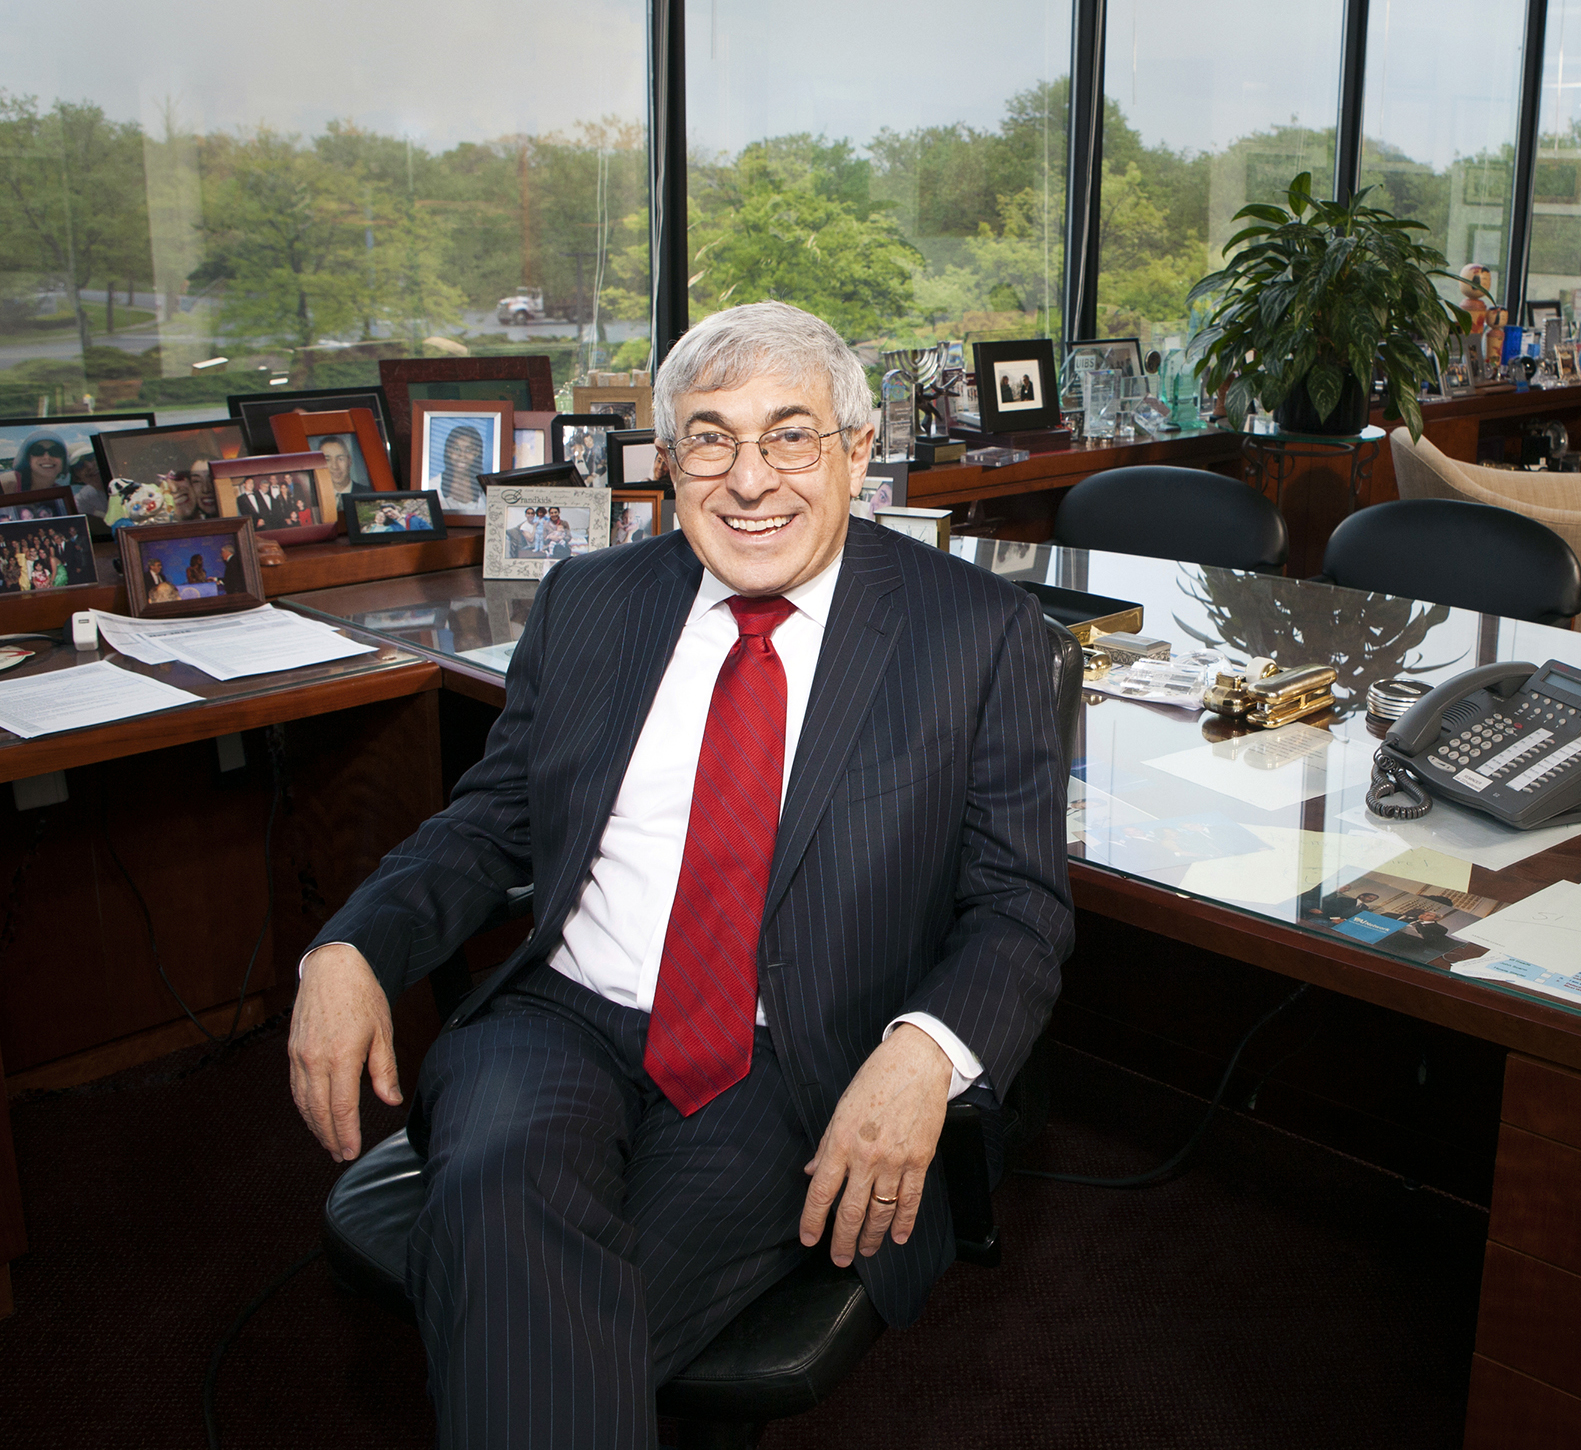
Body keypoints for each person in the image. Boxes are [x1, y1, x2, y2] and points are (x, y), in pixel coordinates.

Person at [287, 299, 1071, 1449]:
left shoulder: (978, 631)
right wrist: (354, 942)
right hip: (559, 1021)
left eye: (790, 435)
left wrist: (923, 1054)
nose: (749, 479)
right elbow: (493, 820)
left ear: (858, 450)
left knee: (528, 1307)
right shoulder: (592, 601)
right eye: (711, 438)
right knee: (502, 1195)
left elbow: (1019, 908)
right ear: (668, 461)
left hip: (790, 1060)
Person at [435, 424, 486, 508]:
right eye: (456, 449)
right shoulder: (433, 486)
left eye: (468, 450)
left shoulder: (487, 488)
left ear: (476, 453)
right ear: (449, 451)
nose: (462, 455)